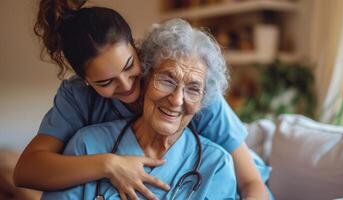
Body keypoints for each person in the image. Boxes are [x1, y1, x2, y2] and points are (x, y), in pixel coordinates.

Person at [13, 0, 269, 199]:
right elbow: (28, 170)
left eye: (128, 66)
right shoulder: (81, 107)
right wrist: (109, 164)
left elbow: (252, 183)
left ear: (139, 51)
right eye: (105, 82)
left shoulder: (196, 91)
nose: (126, 85)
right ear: (86, 81)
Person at [42, 18, 238, 199]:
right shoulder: (86, 145)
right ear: (145, 79)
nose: (177, 100)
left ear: (203, 100)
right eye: (166, 80)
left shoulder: (217, 165)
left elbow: (254, 184)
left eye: (193, 89)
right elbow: (29, 170)